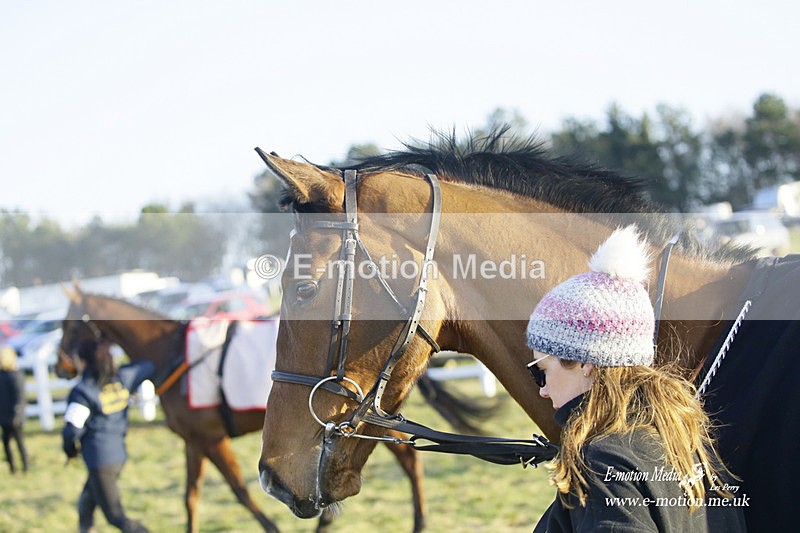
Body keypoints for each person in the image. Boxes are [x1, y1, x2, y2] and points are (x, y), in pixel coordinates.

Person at [526, 226, 746, 532]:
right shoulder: (687, 442)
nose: (543, 391)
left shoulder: (602, 461)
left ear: (586, 362)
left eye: (540, 371)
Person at [62, 338, 154, 533]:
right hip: (118, 456)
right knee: (86, 504)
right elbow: (148, 365)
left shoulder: (83, 391)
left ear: (83, 362)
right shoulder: (123, 379)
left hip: (100, 461)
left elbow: (72, 430)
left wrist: (69, 450)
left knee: (116, 517)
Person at [0, 345, 29, 473]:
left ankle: (26, 467)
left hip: (14, 416)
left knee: (19, 442)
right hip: (3, 415)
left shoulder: (16, 375)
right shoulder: (1, 375)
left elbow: (19, 396)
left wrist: (17, 413)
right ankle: (12, 468)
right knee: (6, 442)